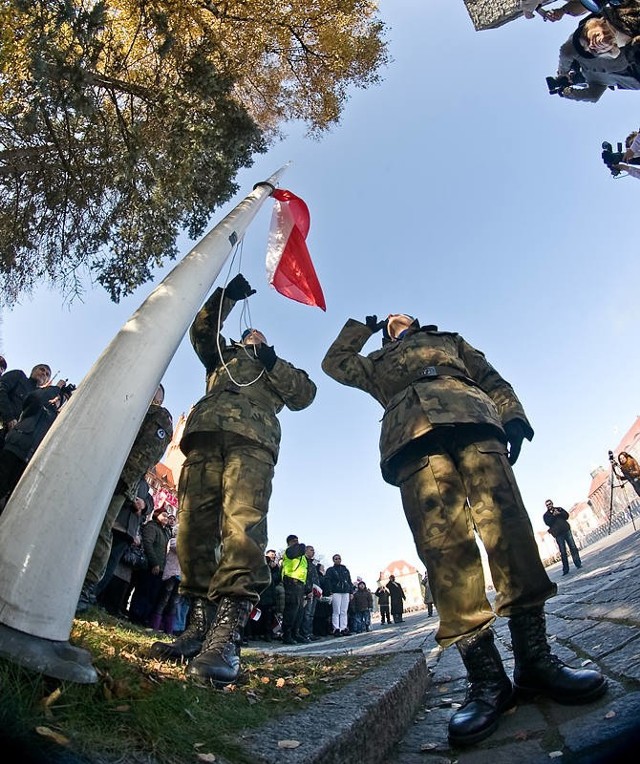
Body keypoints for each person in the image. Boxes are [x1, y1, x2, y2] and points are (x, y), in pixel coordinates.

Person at [322, 312, 606, 747]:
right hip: (412, 440)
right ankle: (488, 680)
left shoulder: (450, 340)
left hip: (475, 421)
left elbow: (489, 374)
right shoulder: (375, 362)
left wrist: (512, 414)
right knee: (444, 552)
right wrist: (363, 327)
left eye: (404, 316)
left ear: (417, 321)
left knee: (510, 532)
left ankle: (536, 661)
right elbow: (335, 362)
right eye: (390, 321)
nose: (397, 319)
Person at [151, 273, 316, 685]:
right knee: (191, 531)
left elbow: (304, 394)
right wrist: (227, 296)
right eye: (249, 335)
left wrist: (271, 359)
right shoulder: (221, 356)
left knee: (242, 527)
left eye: (258, 336)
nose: (251, 335)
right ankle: (198, 629)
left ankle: (227, 635)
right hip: (204, 439)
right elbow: (201, 332)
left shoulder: (274, 367)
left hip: (252, 443)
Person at [77, 385, 173, 612]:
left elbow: (146, 454)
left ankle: (88, 587)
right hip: (98, 470)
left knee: (101, 529)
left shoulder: (158, 416)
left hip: (118, 479)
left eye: (155, 393)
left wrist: (125, 481)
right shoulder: (127, 406)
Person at [553, 14, 640, 101]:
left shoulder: (580, 50)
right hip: (635, 76)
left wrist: (563, 73)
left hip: (632, 49)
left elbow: (566, 52)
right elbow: (593, 96)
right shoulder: (594, 81)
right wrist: (568, 93)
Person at [0, 363, 52, 449]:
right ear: (33, 371)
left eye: (47, 374)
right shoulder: (19, 376)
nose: (44, 373)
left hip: (10, 443)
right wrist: (9, 418)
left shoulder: (39, 399)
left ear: (47, 381)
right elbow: (1, 389)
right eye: (42, 369)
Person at [281, 534, 308, 645]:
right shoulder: (289, 552)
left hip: (300, 584)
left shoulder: (301, 557)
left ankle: (295, 633)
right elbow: (302, 548)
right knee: (291, 609)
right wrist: (300, 545)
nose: (297, 542)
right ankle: (286, 635)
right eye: (294, 541)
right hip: (291, 582)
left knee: (299, 611)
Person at [543, 500, 582, 575]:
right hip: (558, 534)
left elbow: (566, 516)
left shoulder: (559, 509)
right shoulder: (546, 515)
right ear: (546, 506)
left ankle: (578, 563)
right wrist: (553, 516)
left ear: (552, 503)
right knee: (563, 551)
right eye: (547, 505)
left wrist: (559, 513)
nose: (549, 506)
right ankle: (565, 569)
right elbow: (548, 523)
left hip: (566, 530)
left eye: (550, 504)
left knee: (573, 547)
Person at [324, 553, 354, 636]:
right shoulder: (330, 570)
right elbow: (328, 581)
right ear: (333, 560)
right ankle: (336, 628)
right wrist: (330, 591)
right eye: (336, 559)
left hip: (345, 591)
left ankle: (344, 628)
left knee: (344, 611)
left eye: (339, 558)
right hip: (336, 592)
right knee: (336, 611)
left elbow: (349, 581)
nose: (338, 560)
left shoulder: (345, 569)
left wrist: (351, 592)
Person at [301, 545, 323, 641]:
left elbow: (315, 578)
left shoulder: (313, 564)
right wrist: (307, 590)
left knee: (311, 614)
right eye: (311, 550)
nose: (313, 552)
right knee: (307, 613)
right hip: (308, 592)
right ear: (306, 551)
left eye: (314, 550)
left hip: (315, 592)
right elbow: (305, 578)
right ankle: (305, 633)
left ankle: (310, 632)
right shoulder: (303, 562)